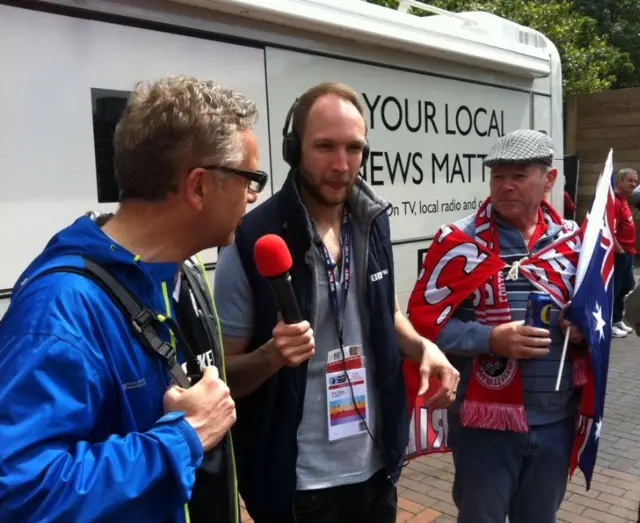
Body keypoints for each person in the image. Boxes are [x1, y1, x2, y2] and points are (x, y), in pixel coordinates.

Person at [0, 76, 266, 523]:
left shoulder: (190, 272)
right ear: (199, 186)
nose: (254, 195)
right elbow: (19, 494)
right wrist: (182, 438)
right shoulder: (61, 309)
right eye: (250, 178)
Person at [213, 81, 460, 523]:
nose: (341, 165)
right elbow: (225, 376)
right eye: (325, 146)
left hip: (376, 466)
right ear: (294, 148)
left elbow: (389, 315)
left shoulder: (373, 221)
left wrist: (425, 347)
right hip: (298, 484)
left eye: (354, 148)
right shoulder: (250, 238)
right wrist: (272, 355)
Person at [411, 130, 585, 523]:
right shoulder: (458, 242)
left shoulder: (574, 245)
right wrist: (490, 338)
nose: (505, 186)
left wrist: (581, 331)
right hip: (484, 425)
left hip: (556, 419)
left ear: (549, 179)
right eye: (498, 176)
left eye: (519, 176)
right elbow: (426, 324)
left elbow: (597, 320)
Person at [612, 167, 638, 338]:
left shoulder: (623, 201)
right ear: (619, 181)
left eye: (635, 181)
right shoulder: (614, 202)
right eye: (630, 180)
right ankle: (611, 323)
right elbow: (609, 230)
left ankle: (617, 318)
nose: (634, 184)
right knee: (616, 289)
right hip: (620, 254)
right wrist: (620, 252)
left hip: (629, 253)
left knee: (627, 287)